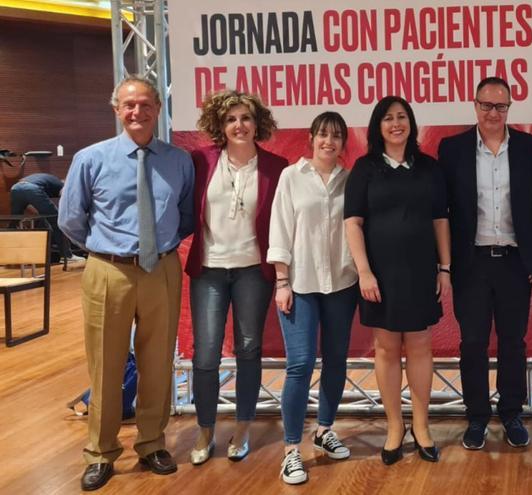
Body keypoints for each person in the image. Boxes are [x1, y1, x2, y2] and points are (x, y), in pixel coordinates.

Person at [58, 76, 194, 491]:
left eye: (146, 104)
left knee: (156, 364)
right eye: (129, 105)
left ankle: (152, 444)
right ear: (116, 109)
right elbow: (70, 218)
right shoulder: (90, 159)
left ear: (157, 108)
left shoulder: (178, 160)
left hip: (162, 269)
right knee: (106, 364)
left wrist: (158, 250)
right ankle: (100, 452)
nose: (138, 112)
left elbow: (185, 214)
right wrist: (108, 250)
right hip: (108, 270)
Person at [438, 77, 532, 449]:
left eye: (500, 106)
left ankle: (511, 413)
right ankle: (476, 417)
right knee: (472, 342)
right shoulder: (452, 149)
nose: (493, 113)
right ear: (474, 106)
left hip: (512, 262)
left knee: (512, 343)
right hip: (470, 262)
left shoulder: (529, 148)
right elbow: (443, 211)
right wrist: (446, 264)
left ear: (510, 108)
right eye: (486, 106)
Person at [344, 96, 451, 465]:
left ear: (411, 123)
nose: (395, 124)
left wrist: (445, 268)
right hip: (379, 275)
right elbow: (352, 223)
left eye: (402, 117)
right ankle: (394, 427)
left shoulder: (429, 168)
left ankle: (421, 425)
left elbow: (440, 220)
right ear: (377, 126)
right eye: (388, 118)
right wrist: (364, 271)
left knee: (420, 344)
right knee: (387, 348)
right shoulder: (364, 168)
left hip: (421, 270)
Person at [184, 90, 286, 466]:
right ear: (219, 126)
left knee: (248, 349)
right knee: (206, 352)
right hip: (209, 269)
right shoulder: (200, 161)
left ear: (257, 123)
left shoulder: (276, 166)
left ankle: (243, 426)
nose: (239, 125)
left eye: (245, 118)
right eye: (230, 119)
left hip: (253, 271)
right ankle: (206, 427)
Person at [269, 112, 359, 485]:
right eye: (323, 134)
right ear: (311, 138)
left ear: (343, 143)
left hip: (341, 283)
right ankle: (291, 450)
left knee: (336, 361)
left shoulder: (350, 180)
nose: (329, 142)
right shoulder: (292, 176)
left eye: (337, 136)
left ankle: (324, 429)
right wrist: (282, 281)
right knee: (300, 365)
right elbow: (280, 227)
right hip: (300, 284)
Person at [10, 173, 78, 260]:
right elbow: (65, 201)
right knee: (57, 222)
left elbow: (27, 200)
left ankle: (6, 254)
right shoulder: (62, 184)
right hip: (32, 189)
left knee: (14, 222)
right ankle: (67, 256)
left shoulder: (46, 180)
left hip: (15, 187)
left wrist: (41, 214)